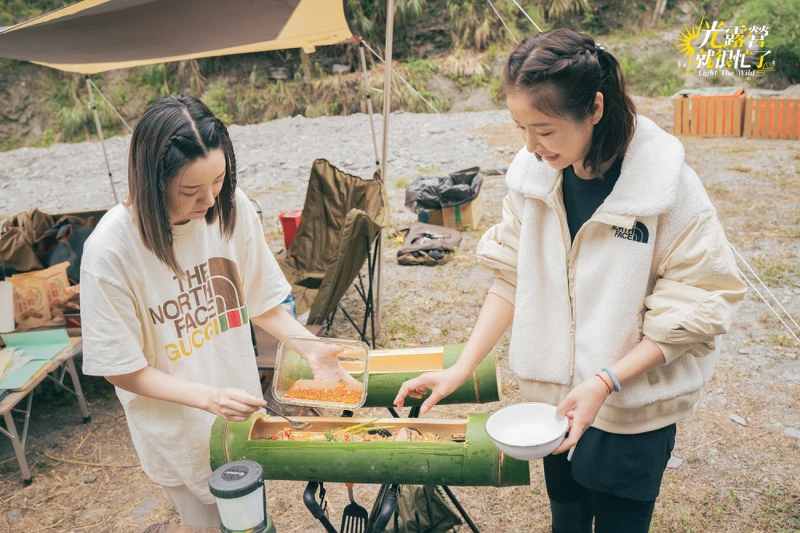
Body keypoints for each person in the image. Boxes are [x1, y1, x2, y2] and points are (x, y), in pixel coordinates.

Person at [394, 29, 746, 533]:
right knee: (568, 522)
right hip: (556, 406)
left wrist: (605, 382)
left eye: (544, 129)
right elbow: (511, 279)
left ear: (595, 108)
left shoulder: (666, 187)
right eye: (520, 128)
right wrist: (460, 369)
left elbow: (700, 301)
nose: (531, 146)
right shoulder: (532, 178)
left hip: (630, 410)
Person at [80, 95, 334, 526]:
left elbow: (261, 301)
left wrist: (311, 349)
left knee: (252, 522)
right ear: (151, 181)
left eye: (218, 180)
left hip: (237, 418)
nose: (210, 200)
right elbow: (122, 369)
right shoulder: (110, 252)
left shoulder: (231, 208)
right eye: (190, 191)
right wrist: (208, 398)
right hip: (177, 429)